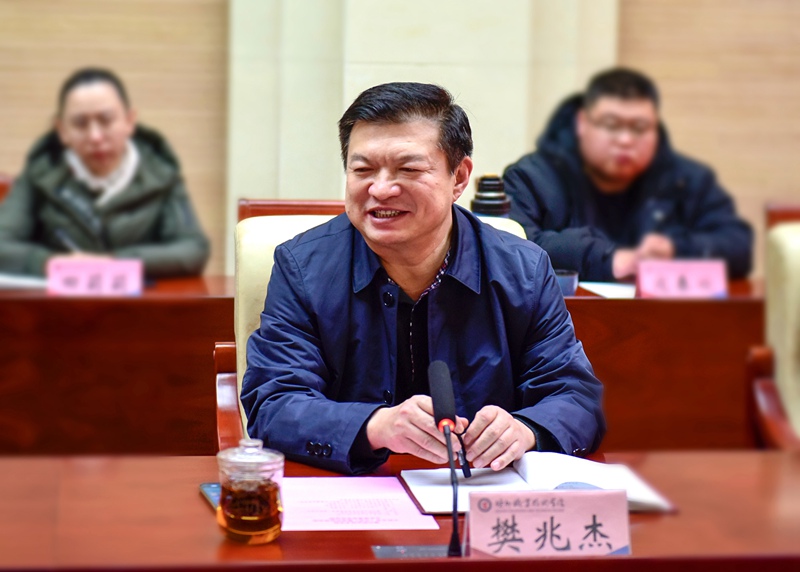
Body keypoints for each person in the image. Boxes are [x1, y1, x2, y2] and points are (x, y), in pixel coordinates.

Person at [242, 82, 605, 475]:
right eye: (362, 170)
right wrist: (375, 426)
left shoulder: (523, 270)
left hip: (481, 491)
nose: (381, 189)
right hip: (356, 491)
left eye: (409, 169)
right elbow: (274, 403)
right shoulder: (303, 267)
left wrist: (526, 430)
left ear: (459, 177)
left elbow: (576, 397)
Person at [502, 68, 752, 282]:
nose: (625, 140)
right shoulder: (531, 178)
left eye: (639, 128)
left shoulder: (685, 179)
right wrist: (607, 259)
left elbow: (739, 246)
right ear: (581, 123)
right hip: (564, 319)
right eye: (611, 125)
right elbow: (509, 248)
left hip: (665, 317)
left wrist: (676, 249)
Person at [0, 67, 209, 278]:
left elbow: (193, 249)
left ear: (129, 121)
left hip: (138, 298)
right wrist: (50, 263)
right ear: (62, 130)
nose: (95, 137)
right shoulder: (40, 173)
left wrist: (115, 263)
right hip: (62, 296)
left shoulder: (161, 173)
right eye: (80, 124)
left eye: (106, 120)